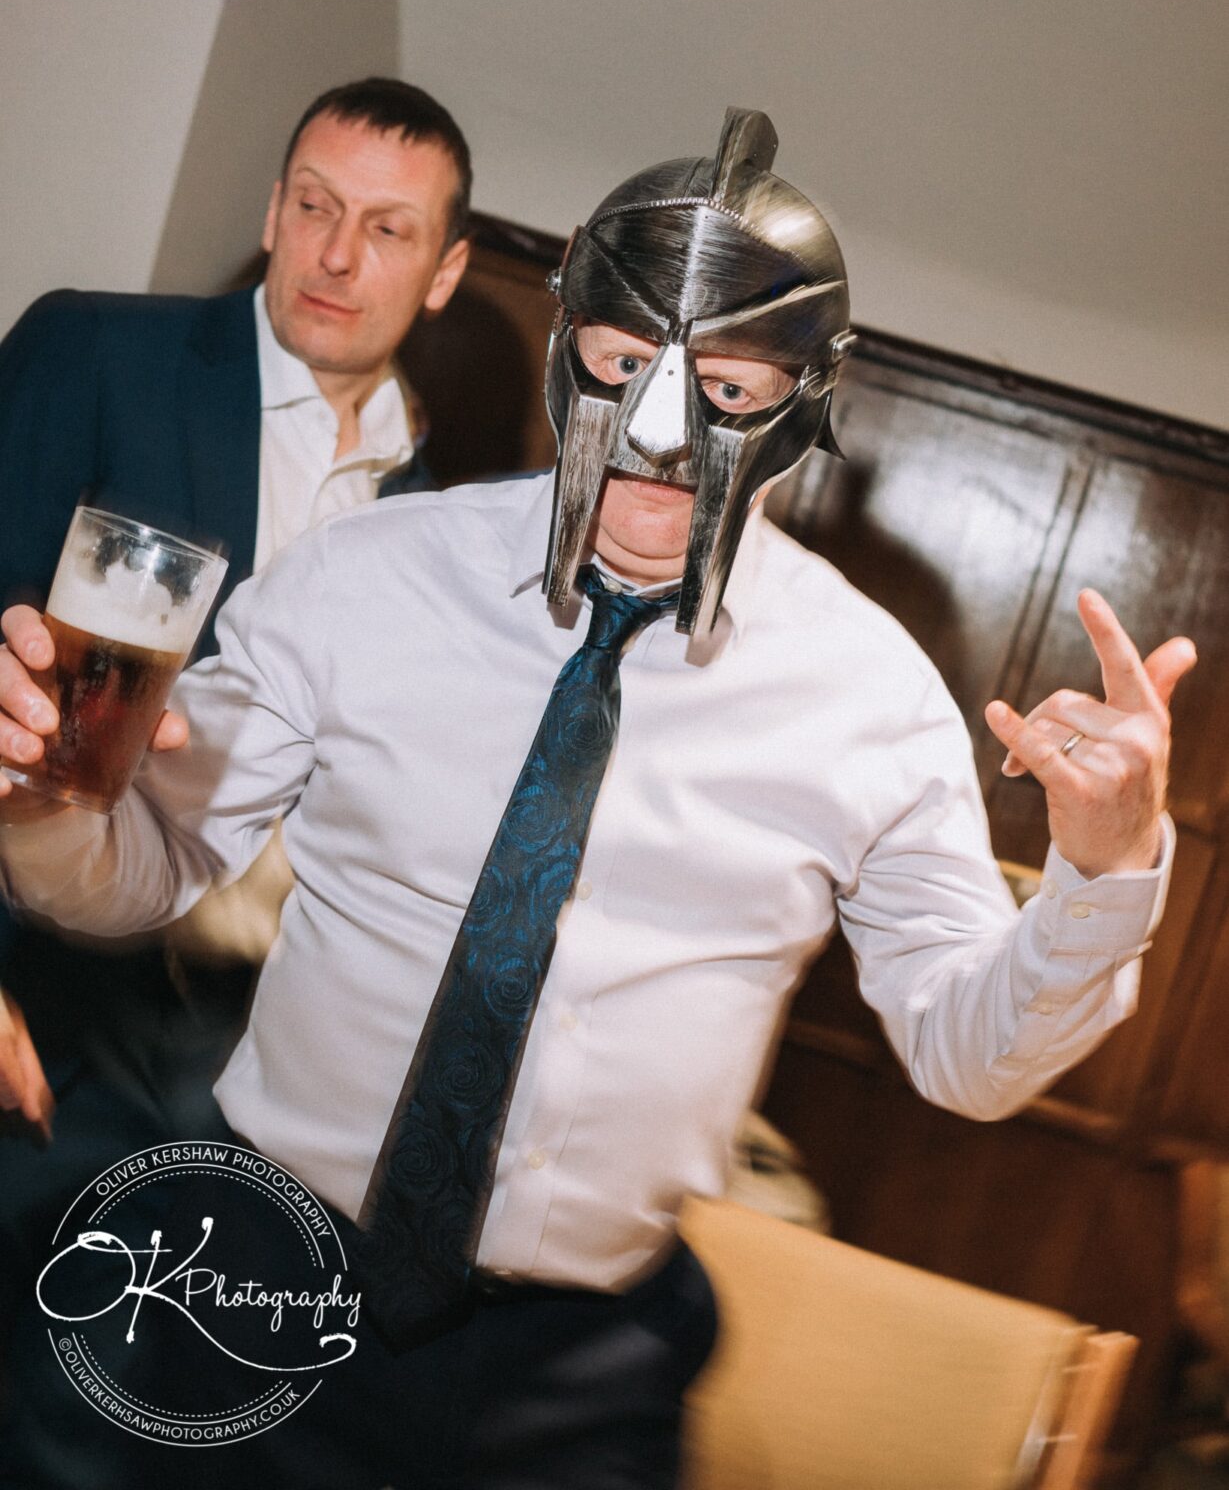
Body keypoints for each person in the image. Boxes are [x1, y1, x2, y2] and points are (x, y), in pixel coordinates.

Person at [0, 108, 1195, 1489]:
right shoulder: (365, 576)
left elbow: (968, 1054)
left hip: (574, 1367)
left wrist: (1107, 869)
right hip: (246, 1270)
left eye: (727, 388)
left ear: (808, 400)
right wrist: (41, 797)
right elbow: (149, 869)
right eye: (624, 365)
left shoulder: (871, 697)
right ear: (568, 342)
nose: (660, 434)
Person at [0, 76, 471, 1490]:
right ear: (272, 210)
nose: (337, 253)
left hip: (237, 1051)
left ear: (445, 272)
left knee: (135, 1434)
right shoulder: (98, 353)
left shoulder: (439, 512)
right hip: (34, 981)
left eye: (387, 229)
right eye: (314, 206)